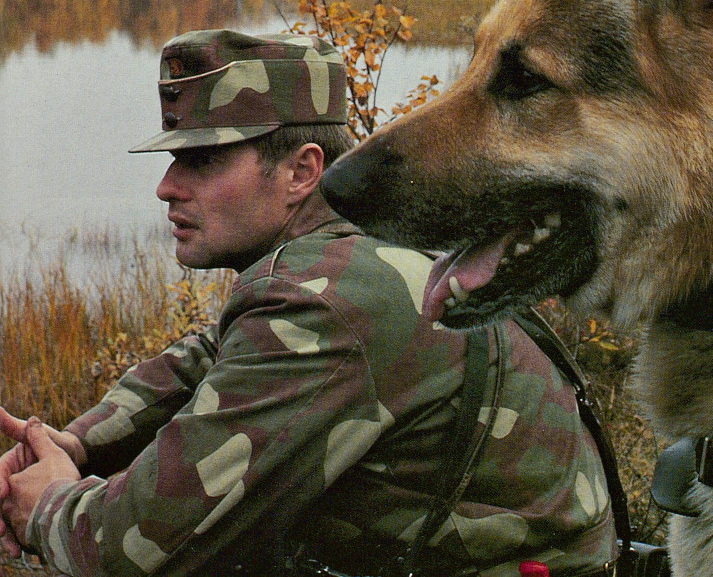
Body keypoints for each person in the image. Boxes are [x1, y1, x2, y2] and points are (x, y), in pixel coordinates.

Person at [0, 30, 617, 576]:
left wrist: (45, 505)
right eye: (173, 159)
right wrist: (77, 443)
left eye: (202, 160)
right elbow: (210, 355)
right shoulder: (355, 252)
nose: (167, 186)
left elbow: (124, 550)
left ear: (301, 171)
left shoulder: (325, 305)